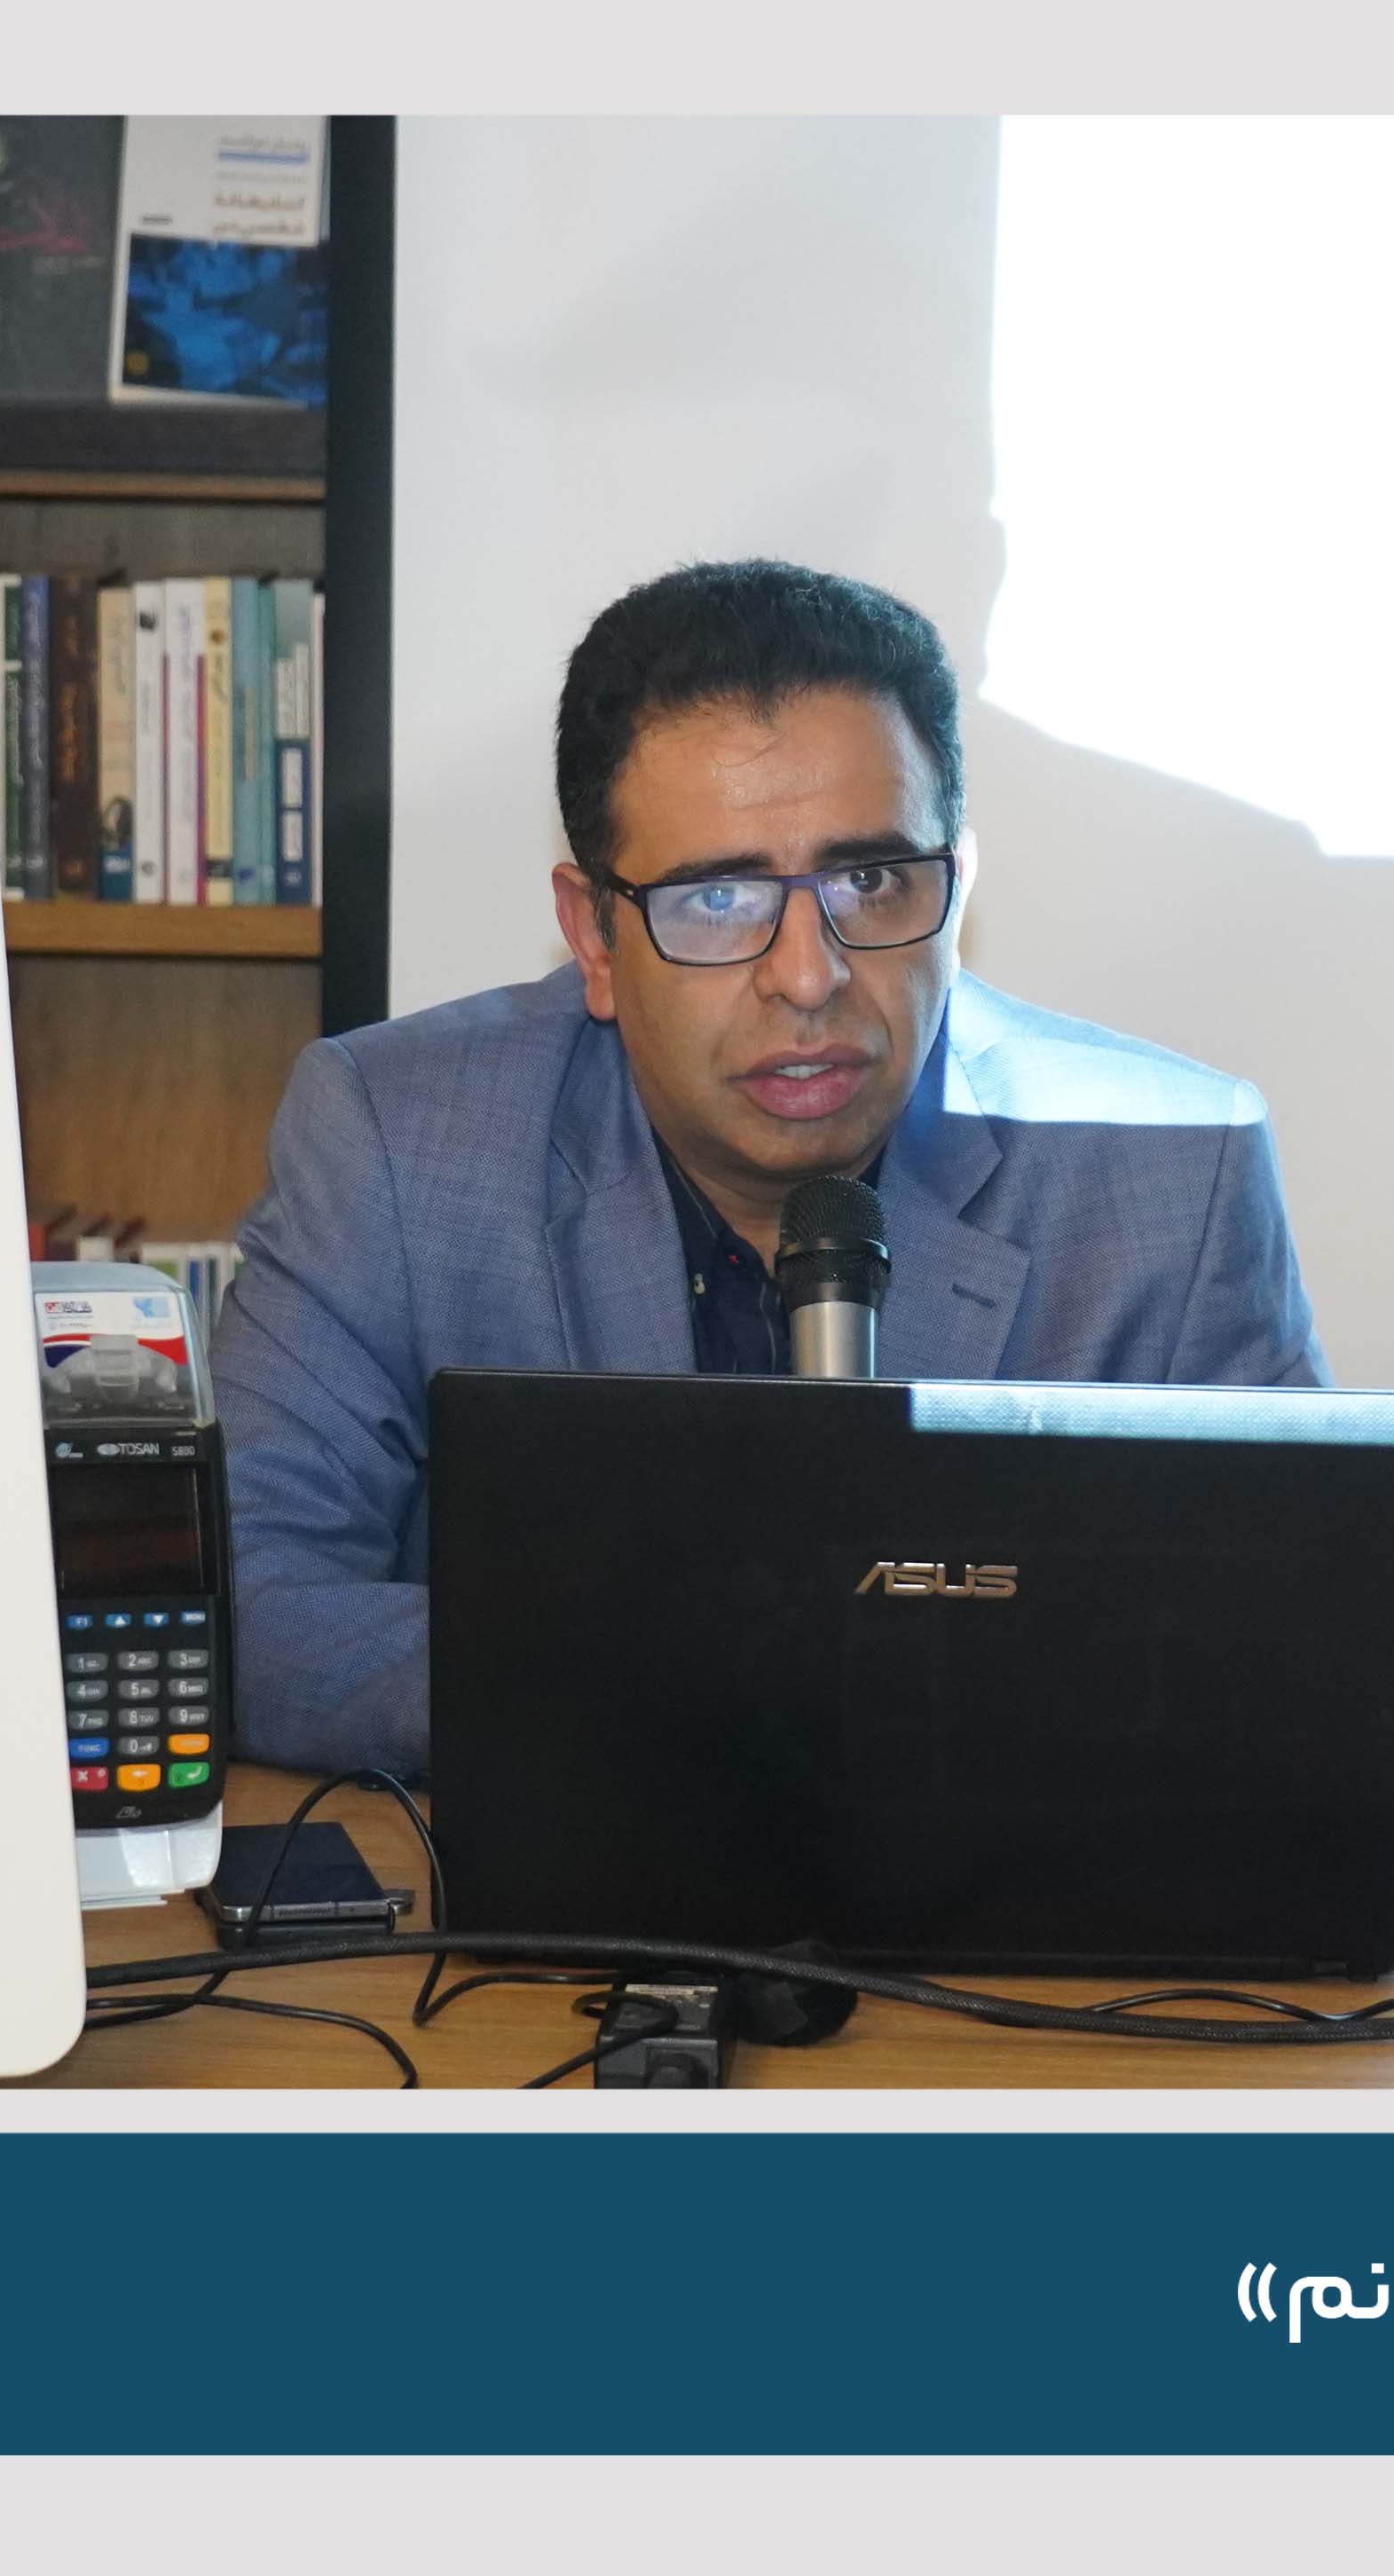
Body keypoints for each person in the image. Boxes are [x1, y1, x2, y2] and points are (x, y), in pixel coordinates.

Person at [216, 558, 1327, 1778]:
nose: (808, 975)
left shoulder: (1175, 1173)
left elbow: (1296, 1638)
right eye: (719, 897)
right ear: (594, 937)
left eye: (871, 881)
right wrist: (694, 1678)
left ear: (956, 891)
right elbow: (248, 1599)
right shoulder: (398, 1140)